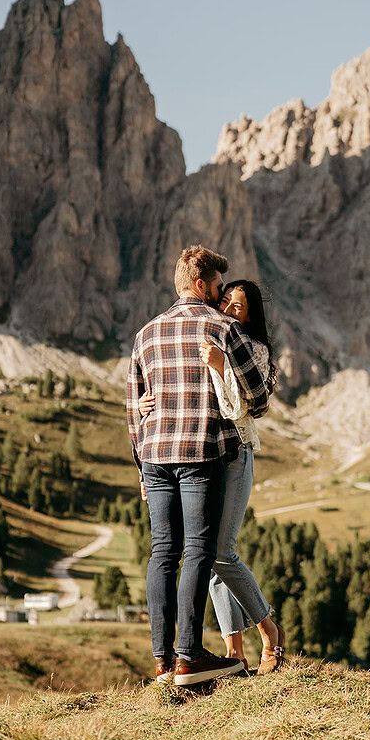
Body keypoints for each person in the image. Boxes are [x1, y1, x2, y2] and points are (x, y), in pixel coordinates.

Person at [126, 246, 270, 686]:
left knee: (163, 552)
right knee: (200, 553)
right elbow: (259, 398)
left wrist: (140, 467)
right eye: (218, 286)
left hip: (154, 456)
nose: (222, 294)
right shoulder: (223, 327)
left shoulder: (146, 334)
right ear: (201, 285)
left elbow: (134, 409)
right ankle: (189, 657)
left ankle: (162, 663)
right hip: (201, 454)